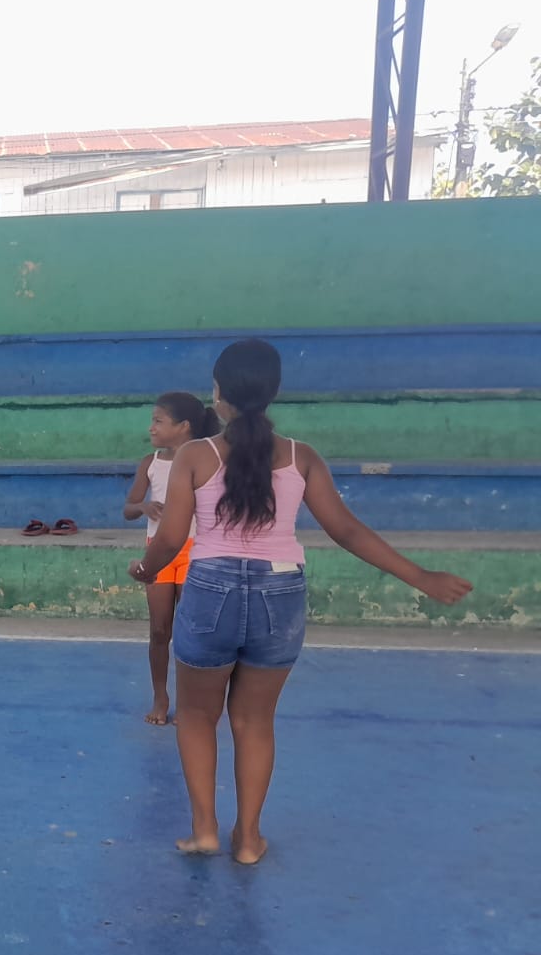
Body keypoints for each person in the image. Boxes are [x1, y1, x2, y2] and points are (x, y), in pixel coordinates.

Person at [129, 339, 472, 865]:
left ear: (218, 394)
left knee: (197, 715)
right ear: (272, 392)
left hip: (211, 589)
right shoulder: (300, 457)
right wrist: (420, 577)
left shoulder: (196, 456)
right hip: (281, 592)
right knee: (254, 721)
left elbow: (172, 538)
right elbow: (347, 530)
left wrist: (146, 570)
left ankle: (204, 831)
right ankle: (249, 840)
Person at [123, 392, 220, 725]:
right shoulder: (150, 463)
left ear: (183, 426)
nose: (151, 427)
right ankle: (160, 696)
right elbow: (128, 509)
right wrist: (143, 507)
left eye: (158, 421)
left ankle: (189, 701)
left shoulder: (203, 460)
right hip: (158, 550)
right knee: (159, 629)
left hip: (195, 550)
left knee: (190, 631)